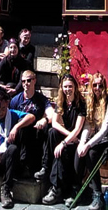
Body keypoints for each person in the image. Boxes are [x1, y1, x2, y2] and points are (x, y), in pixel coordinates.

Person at [42, 74, 86, 205]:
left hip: (77, 141)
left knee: (61, 150)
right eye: (65, 87)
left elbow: (77, 129)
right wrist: (65, 139)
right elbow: (54, 123)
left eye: (70, 86)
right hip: (69, 138)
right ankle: (45, 167)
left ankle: (56, 188)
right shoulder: (61, 102)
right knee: (52, 132)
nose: (68, 90)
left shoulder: (81, 104)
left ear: (75, 87)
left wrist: (63, 143)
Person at [76, 72, 108, 210]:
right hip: (97, 141)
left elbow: (105, 129)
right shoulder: (90, 102)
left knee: (91, 153)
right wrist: (82, 143)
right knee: (79, 153)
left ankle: (97, 194)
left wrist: (88, 145)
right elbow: (88, 125)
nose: (97, 88)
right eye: (95, 85)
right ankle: (79, 189)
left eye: (100, 85)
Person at [11, 70, 54, 176]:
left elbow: (52, 114)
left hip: (37, 132)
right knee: (22, 123)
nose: (26, 83)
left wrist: (45, 119)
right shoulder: (16, 100)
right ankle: (23, 164)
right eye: (23, 81)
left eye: (29, 80)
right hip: (21, 134)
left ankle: (44, 167)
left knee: (48, 129)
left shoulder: (41, 99)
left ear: (34, 80)